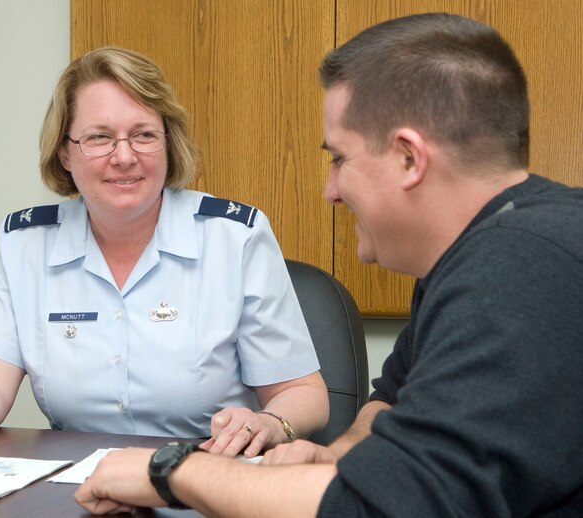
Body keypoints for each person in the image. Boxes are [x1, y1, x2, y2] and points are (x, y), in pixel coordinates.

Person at [75, 13, 583, 517]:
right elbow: (391, 402)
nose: (331, 191)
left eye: (339, 159)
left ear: (409, 158)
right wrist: (338, 457)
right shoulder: (480, 252)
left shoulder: (519, 270)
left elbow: (394, 507)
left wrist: (171, 472)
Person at [0, 47, 328, 459]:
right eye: (99, 138)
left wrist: (269, 423)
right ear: (64, 152)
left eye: (143, 135)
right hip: (75, 482)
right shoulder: (27, 244)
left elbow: (303, 392)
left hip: (205, 475)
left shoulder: (234, 238)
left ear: (168, 143)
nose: (124, 157)